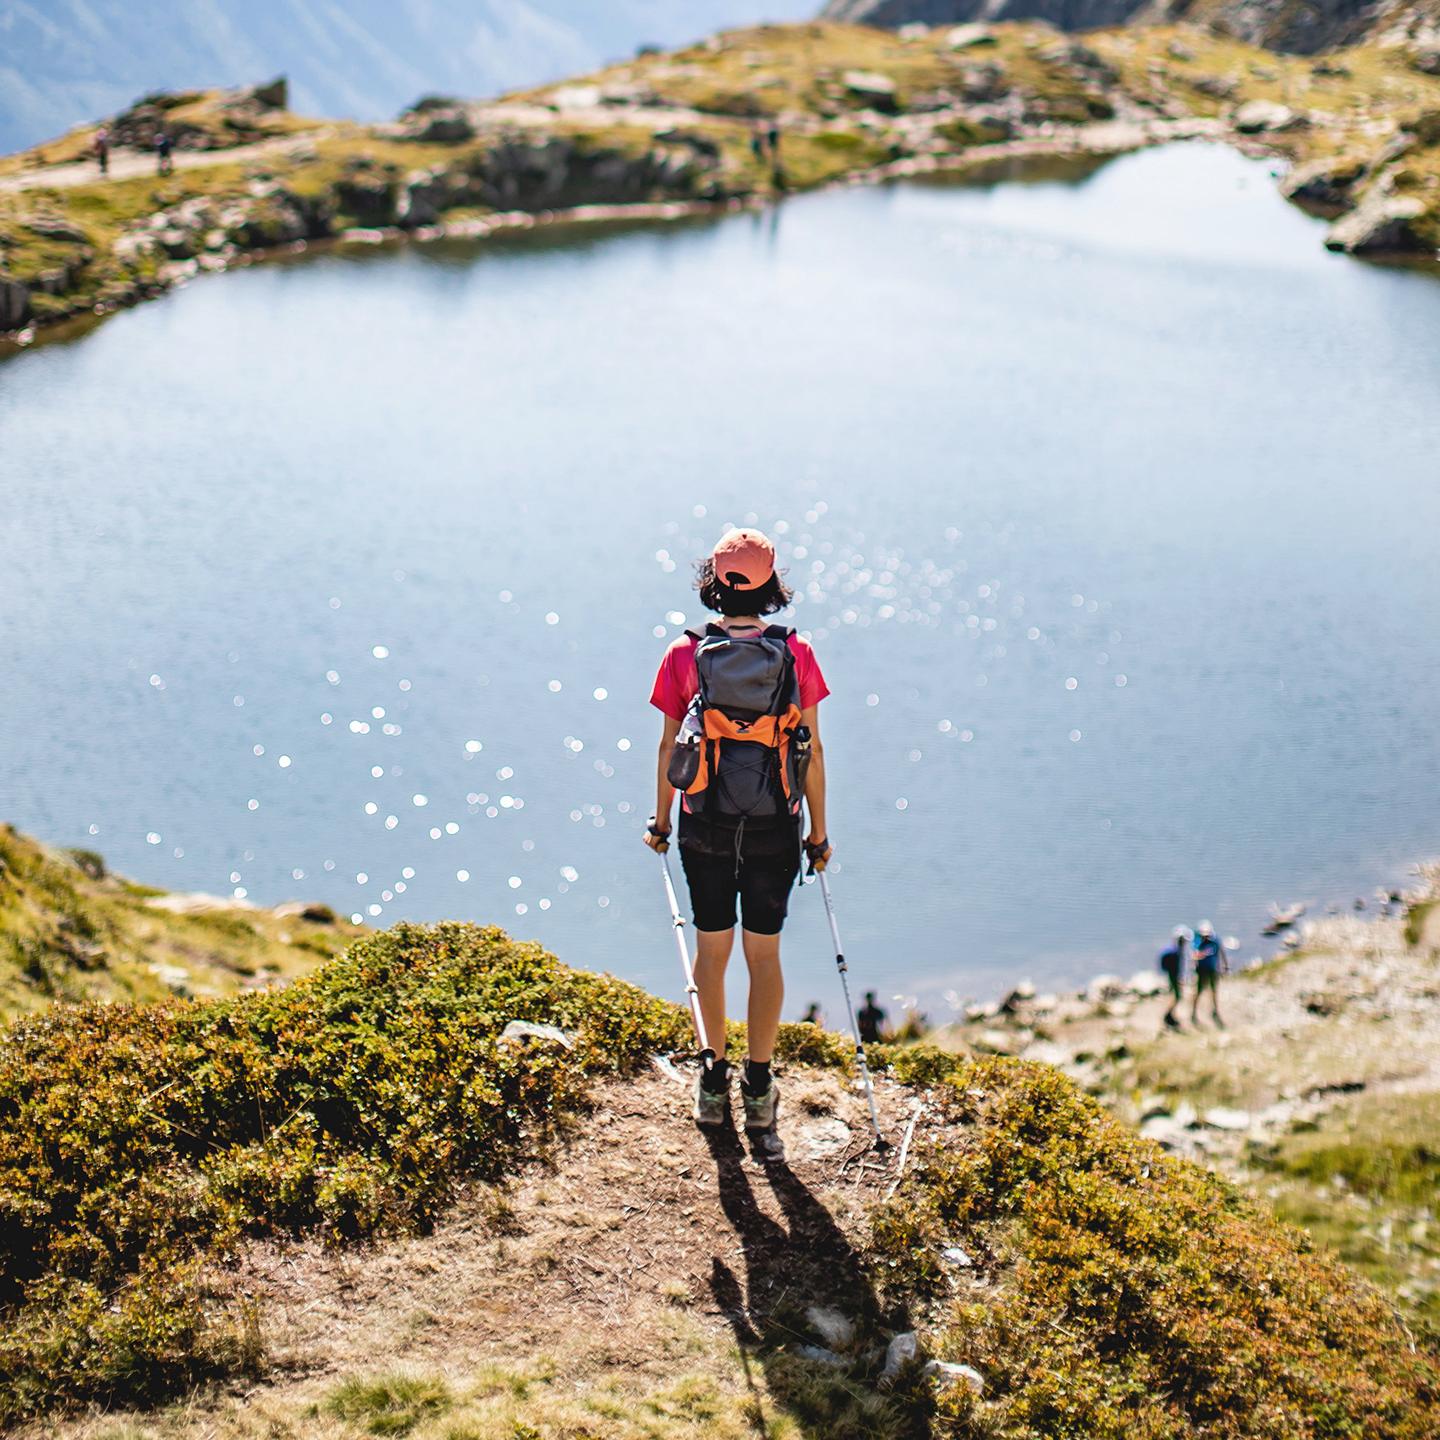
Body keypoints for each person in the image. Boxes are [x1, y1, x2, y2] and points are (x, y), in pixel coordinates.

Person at [644, 527, 831, 1135]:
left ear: (713, 582)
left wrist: (662, 820)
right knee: (764, 955)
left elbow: (672, 745)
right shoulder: (796, 652)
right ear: (772, 584)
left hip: (707, 824)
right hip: (776, 822)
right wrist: (818, 835)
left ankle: (712, 1076)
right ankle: (758, 1083)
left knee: (712, 953)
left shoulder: (684, 653)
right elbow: (813, 751)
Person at [1191, 920, 1229, 1028]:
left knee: (1214, 991)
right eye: (1204, 935)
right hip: (1202, 971)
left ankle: (1215, 1010)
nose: (1205, 937)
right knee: (1199, 992)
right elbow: (1193, 955)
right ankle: (1193, 1012)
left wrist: (1225, 966)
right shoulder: (1197, 942)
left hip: (1213, 970)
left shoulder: (1216, 940)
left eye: (1207, 935)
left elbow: (1222, 952)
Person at [1159, 926, 1188, 1030]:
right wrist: (1179, 978)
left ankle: (1170, 1015)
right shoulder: (1176, 952)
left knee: (1176, 996)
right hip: (1174, 977)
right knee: (1178, 996)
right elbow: (1176, 967)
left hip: (1173, 976)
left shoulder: (1174, 950)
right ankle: (1168, 1016)